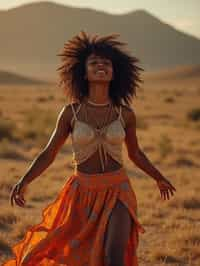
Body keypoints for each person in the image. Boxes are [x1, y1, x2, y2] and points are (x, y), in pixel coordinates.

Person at [3, 31, 176, 266]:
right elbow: (49, 153)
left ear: (114, 73)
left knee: (113, 257)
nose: (101, 66)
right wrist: (24, 181)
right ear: (83, 73)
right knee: (76, 256)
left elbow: (135, 153)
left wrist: (159, 177)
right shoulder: (70, 113)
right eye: (94, 63)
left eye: (106, 63)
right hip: (81, 192)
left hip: (118, 189)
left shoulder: (125, 114)